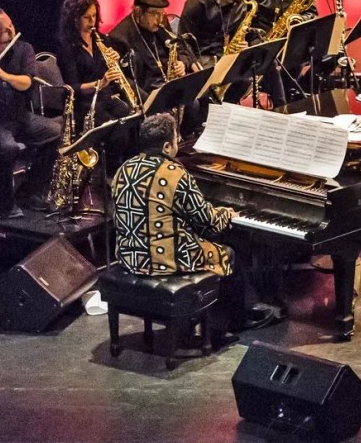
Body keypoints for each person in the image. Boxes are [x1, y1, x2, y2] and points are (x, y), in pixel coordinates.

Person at [110, 113, 278, 330]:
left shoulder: (124, 169)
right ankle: (237, 320)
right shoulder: (174, 173)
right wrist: (226, 213)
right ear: (167, 147)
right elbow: (207, 221)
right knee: (230, 252)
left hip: (129, 256)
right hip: (163, 260)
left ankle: (210, 311)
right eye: (176, 138)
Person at [0, 7, 61, 217]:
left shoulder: (24, 49)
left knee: (56, 132)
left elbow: (26, 83)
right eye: (3, 30)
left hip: (19, 117)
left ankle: (31, 192)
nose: (10, 31)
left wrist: (4, 75)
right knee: (6, 147)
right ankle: (5, 205)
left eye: (11, 26)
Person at [56, 0, 135, 167]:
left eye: (94, 16)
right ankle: (111, 174)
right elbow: (73, 87)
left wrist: (114, 60)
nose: (92, 22)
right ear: (74, 19)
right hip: (83, 104)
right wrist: (101, 83)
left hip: (104, 97)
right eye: (86, 17)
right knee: (117, 133)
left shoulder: (100, 40)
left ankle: (129, 167)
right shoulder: (67, 47)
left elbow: (108, 69)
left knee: (133, 120)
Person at [248, 0, 317, 105]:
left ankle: (294, 98)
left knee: (311, 55)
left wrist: (298, 20)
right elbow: (244, 16)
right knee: (271, 64)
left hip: (289, 39)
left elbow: (312, 14)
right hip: (261, 40)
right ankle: (281, 106)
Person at [106, 0, 192, 97]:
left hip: (166, 83)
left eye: (162, 13)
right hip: (145, 91)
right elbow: (124, 79)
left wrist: (182, 63)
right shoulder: (119, 37)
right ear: (138, 11)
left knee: (194, 102)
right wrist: (149, 100)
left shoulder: (160, 22)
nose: (160, 19)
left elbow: (179, 48)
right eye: (154, 14)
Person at [179, 0, 254, 64]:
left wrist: (242, 46)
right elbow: (183, 43)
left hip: (222, 58)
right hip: (198, 60)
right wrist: (194, 67)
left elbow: (234, 40)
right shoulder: (197, 3)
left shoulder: (241, 6)